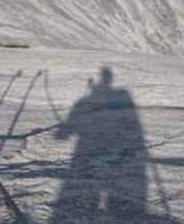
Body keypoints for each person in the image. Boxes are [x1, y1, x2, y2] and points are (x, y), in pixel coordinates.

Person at [53, 67, 148, 221]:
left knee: (96, 175)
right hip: (97, 146)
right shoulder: (98, 100)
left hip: (96, 146)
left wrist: (65, 131)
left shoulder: (94, 101)